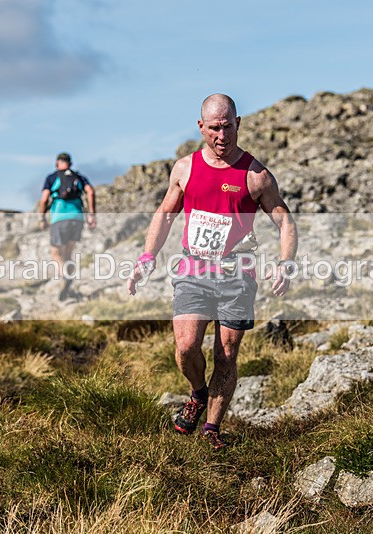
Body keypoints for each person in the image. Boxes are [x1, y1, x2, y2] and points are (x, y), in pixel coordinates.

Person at [126, 94, 298, 450]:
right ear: (201, 127)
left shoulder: (256, 175)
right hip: (194, 268)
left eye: (229, 126)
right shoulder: (185, 168)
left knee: (226, 355)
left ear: (239, 124)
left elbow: (284, 221)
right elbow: (166, 214)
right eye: (215, 128)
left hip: (237, 273)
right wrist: (146, 257)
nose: (223, 136)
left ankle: (211, 428)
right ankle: (197, 393)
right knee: (187, 346)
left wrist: (286, 261)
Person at [37, 152, 96, 301]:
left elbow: (44, 199)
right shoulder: (79, 177)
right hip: (77, 217)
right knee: (69, 252)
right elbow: (90, 191)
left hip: (59, 217)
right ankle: (68, 282)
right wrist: (92, 214)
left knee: (56, 252)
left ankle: (65, 276)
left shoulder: (52, 177)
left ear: (57, 163)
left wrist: (42, 217)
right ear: (70, 163)